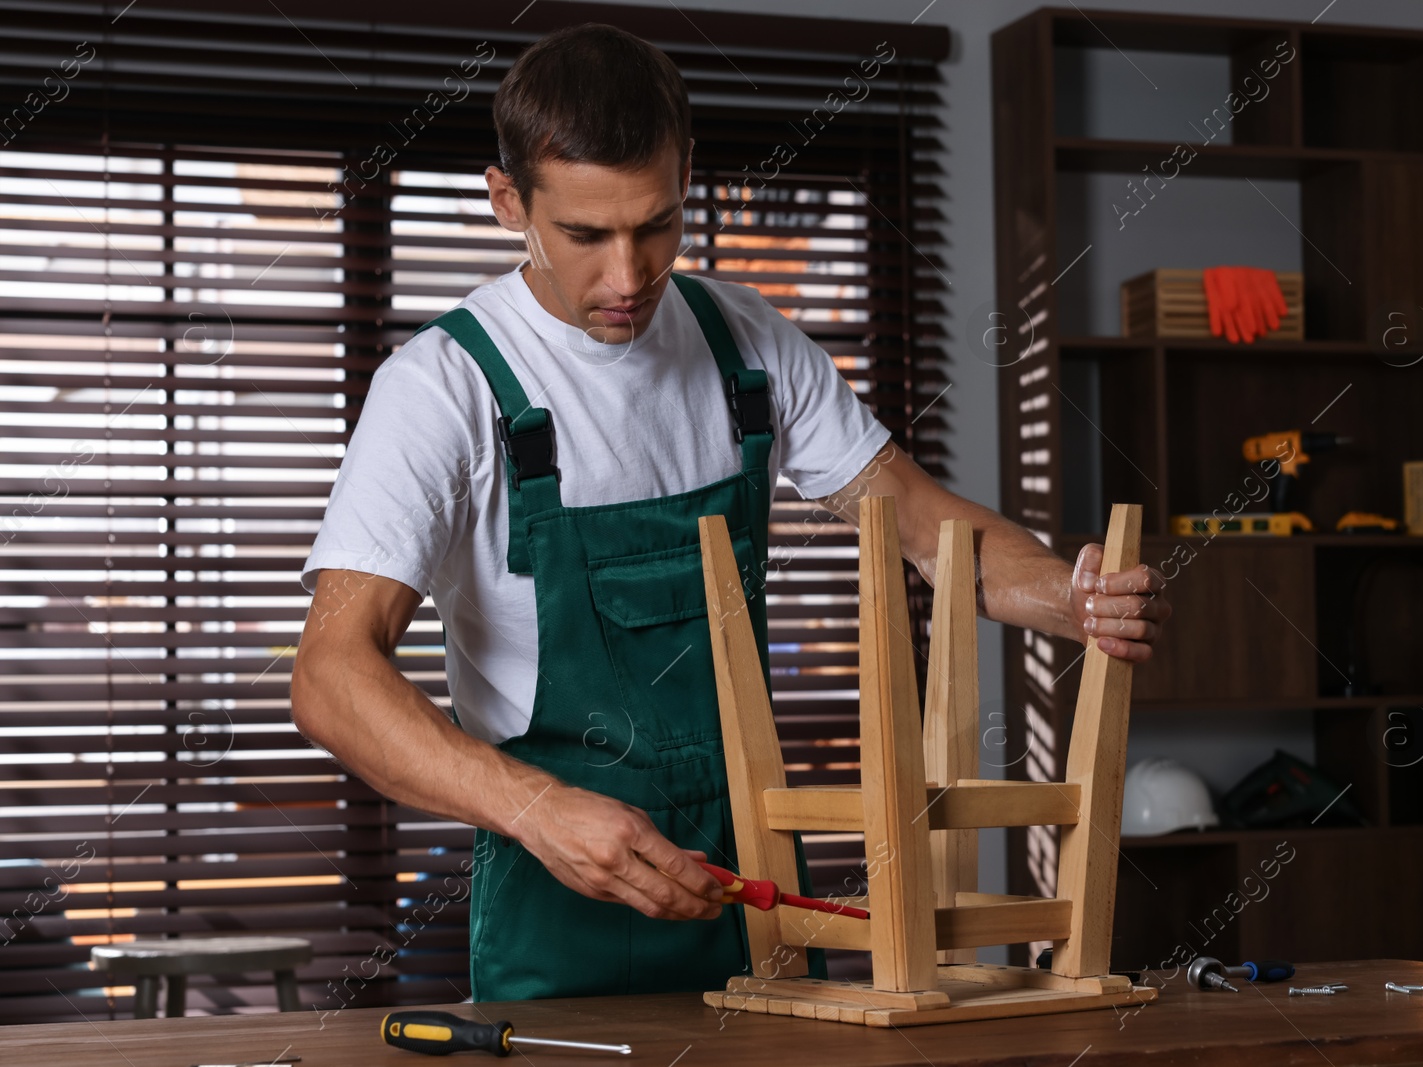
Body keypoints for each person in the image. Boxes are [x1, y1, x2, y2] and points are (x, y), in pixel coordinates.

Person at [290, 23, 1169, 1003]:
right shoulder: (444, 387)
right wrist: (537, 807)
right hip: (558, 905)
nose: (628, 278)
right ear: (509, 202)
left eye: (656, 224)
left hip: (754, 885)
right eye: (586, 234)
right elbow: (332, 674)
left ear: (686, 176)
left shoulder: (741, 343)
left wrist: (1071, 596)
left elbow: (926, 528)